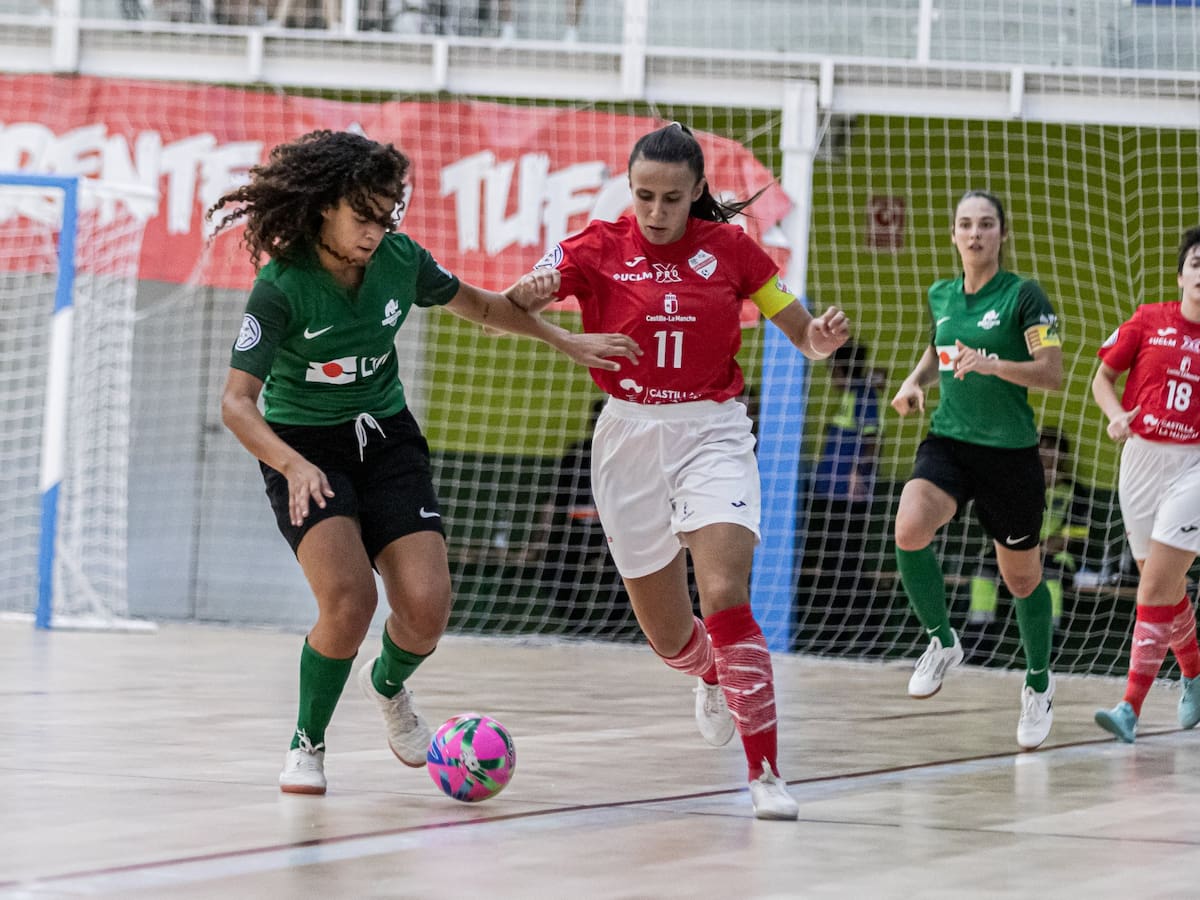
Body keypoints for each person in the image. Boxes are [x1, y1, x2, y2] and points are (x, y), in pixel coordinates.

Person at [208, 130, 639, 794]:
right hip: (305, 449)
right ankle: (306, 741)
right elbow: (237, 405)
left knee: (428, 606)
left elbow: (487, 309)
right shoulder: (281, 286)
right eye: (363, 216)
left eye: (386, 216)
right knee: (350, 601)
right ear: (324, 206)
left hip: (385, 437)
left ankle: (387, 685)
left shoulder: (402, 260)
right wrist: (292, 467)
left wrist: (564, 340)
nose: (376, 232)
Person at [514, 122, 850, 819]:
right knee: (669, 637)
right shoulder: (596, 246)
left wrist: (817, 340)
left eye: (672, 198)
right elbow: (509, 308)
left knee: (725, 591)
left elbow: (799, 330)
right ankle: (708, 674)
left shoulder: (732, 250)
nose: (658, 213)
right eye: (645, 197)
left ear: (698, 190)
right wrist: (531, 291)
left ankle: (766, 774)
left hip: (713, 430)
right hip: (627, 438)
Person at [890, 190, 1064, 750]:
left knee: (1021, 580)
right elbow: (942, 350)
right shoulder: (942, 294)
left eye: (986, 224)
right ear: (953, 234)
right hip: (949, 442)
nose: (975, 233)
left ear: (1001, 234)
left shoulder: (1023, 296)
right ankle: (942, 641)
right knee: (909, 527)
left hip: (1010, 456)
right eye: (965, 224)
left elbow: (1051, 373)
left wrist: (993, 365)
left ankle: (1038, 684)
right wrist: (916, 381)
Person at [1090, 226, 1200, 743]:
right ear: (1181, 274)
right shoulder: (1149, 319)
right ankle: (1196, 677)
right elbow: (1101, 379)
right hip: (1139, 460)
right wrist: (1115, 417)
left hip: (1194, 467)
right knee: (1164, 586)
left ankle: (1130, 706)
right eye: (1196, 263)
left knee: (1152, 587)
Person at [795, 339, 883, 654]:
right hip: (829, 491)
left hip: (848, 496)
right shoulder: (852, 395)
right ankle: (836, 628)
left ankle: (864, 630)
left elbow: (873, 438)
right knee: (832, 561)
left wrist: (859, 471)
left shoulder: (864, 396)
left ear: (840, 368)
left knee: (848, 563)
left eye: (832, 368)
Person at [521, 397, 635, 637]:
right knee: (552, 568)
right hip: (576, 529)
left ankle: (616, 627)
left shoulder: (629, 453)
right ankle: (578, 624)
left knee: (627, 570)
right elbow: (555, 500)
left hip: (616, 530)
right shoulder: (577, 454)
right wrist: (539, 540)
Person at [967, 426, 1091, 629]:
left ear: (1062, 455)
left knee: (1051, 577)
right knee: (984, 571)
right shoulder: (1018, 485)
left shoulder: (1074, 490)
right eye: (1039, 448)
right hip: (1017, 550)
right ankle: (978, 638)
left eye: (1051, 449)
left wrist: (1039, 548)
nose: (1044, 454)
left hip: (1054, 556)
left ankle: (1050, 638)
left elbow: (1075, 535)